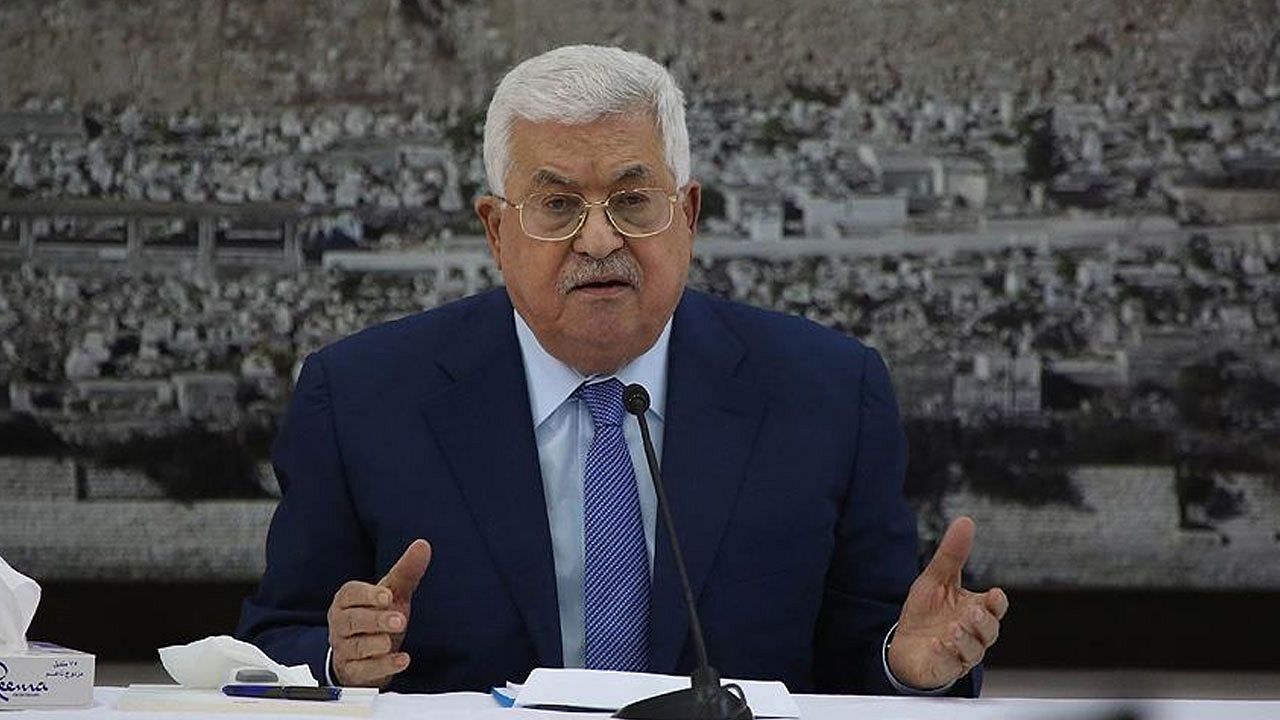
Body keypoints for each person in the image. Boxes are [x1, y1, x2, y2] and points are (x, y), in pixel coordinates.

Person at [236, 44, 1007, 696]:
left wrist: (904, 665)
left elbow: (863, 650)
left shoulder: (828, 394)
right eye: (557, 206)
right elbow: (275, 644)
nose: (599, 239)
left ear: (688, 216)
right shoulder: (362, 397)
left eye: (633, 201)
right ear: (496, 230)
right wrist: (338, 657)